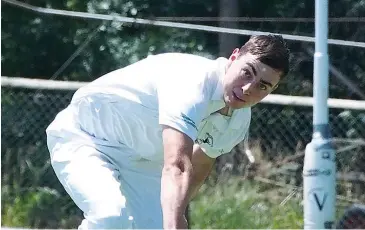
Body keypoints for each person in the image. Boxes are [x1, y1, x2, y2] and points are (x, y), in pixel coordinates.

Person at [46, 34, 290, 229]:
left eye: (263, 86)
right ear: (234, 57)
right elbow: (177, 164)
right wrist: (175, 225)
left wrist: (177, 214)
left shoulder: (237, 120)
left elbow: (200, 163)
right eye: (247, 72)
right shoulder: (193, 82)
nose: (248, 88)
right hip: (87, 138)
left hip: (142, 165)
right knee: (111, 217)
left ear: (272, 90)